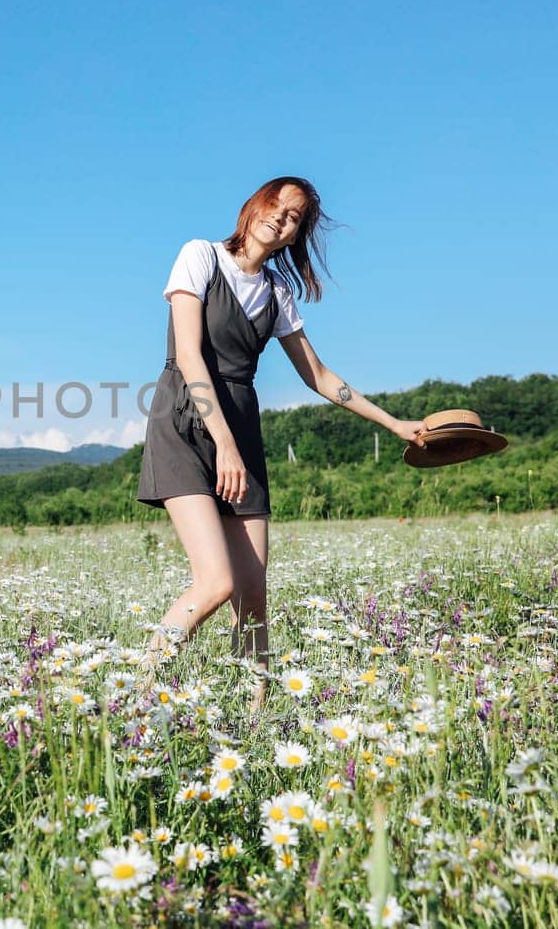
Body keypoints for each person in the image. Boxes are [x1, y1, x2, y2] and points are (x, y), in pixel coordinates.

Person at [133, 176, 425, 706]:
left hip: (240, 427)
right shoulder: (199, 256)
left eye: (294, 217)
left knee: (253, 596)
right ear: (253, 206)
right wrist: (222, 443)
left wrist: (394, 424)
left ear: (295, 236)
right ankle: (134, 694)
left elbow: (317, 373)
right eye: (276, 205)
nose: (281, 218)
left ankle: (257, 717)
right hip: (187, 418)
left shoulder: (277, 293)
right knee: (216, 582)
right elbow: (192, 354)